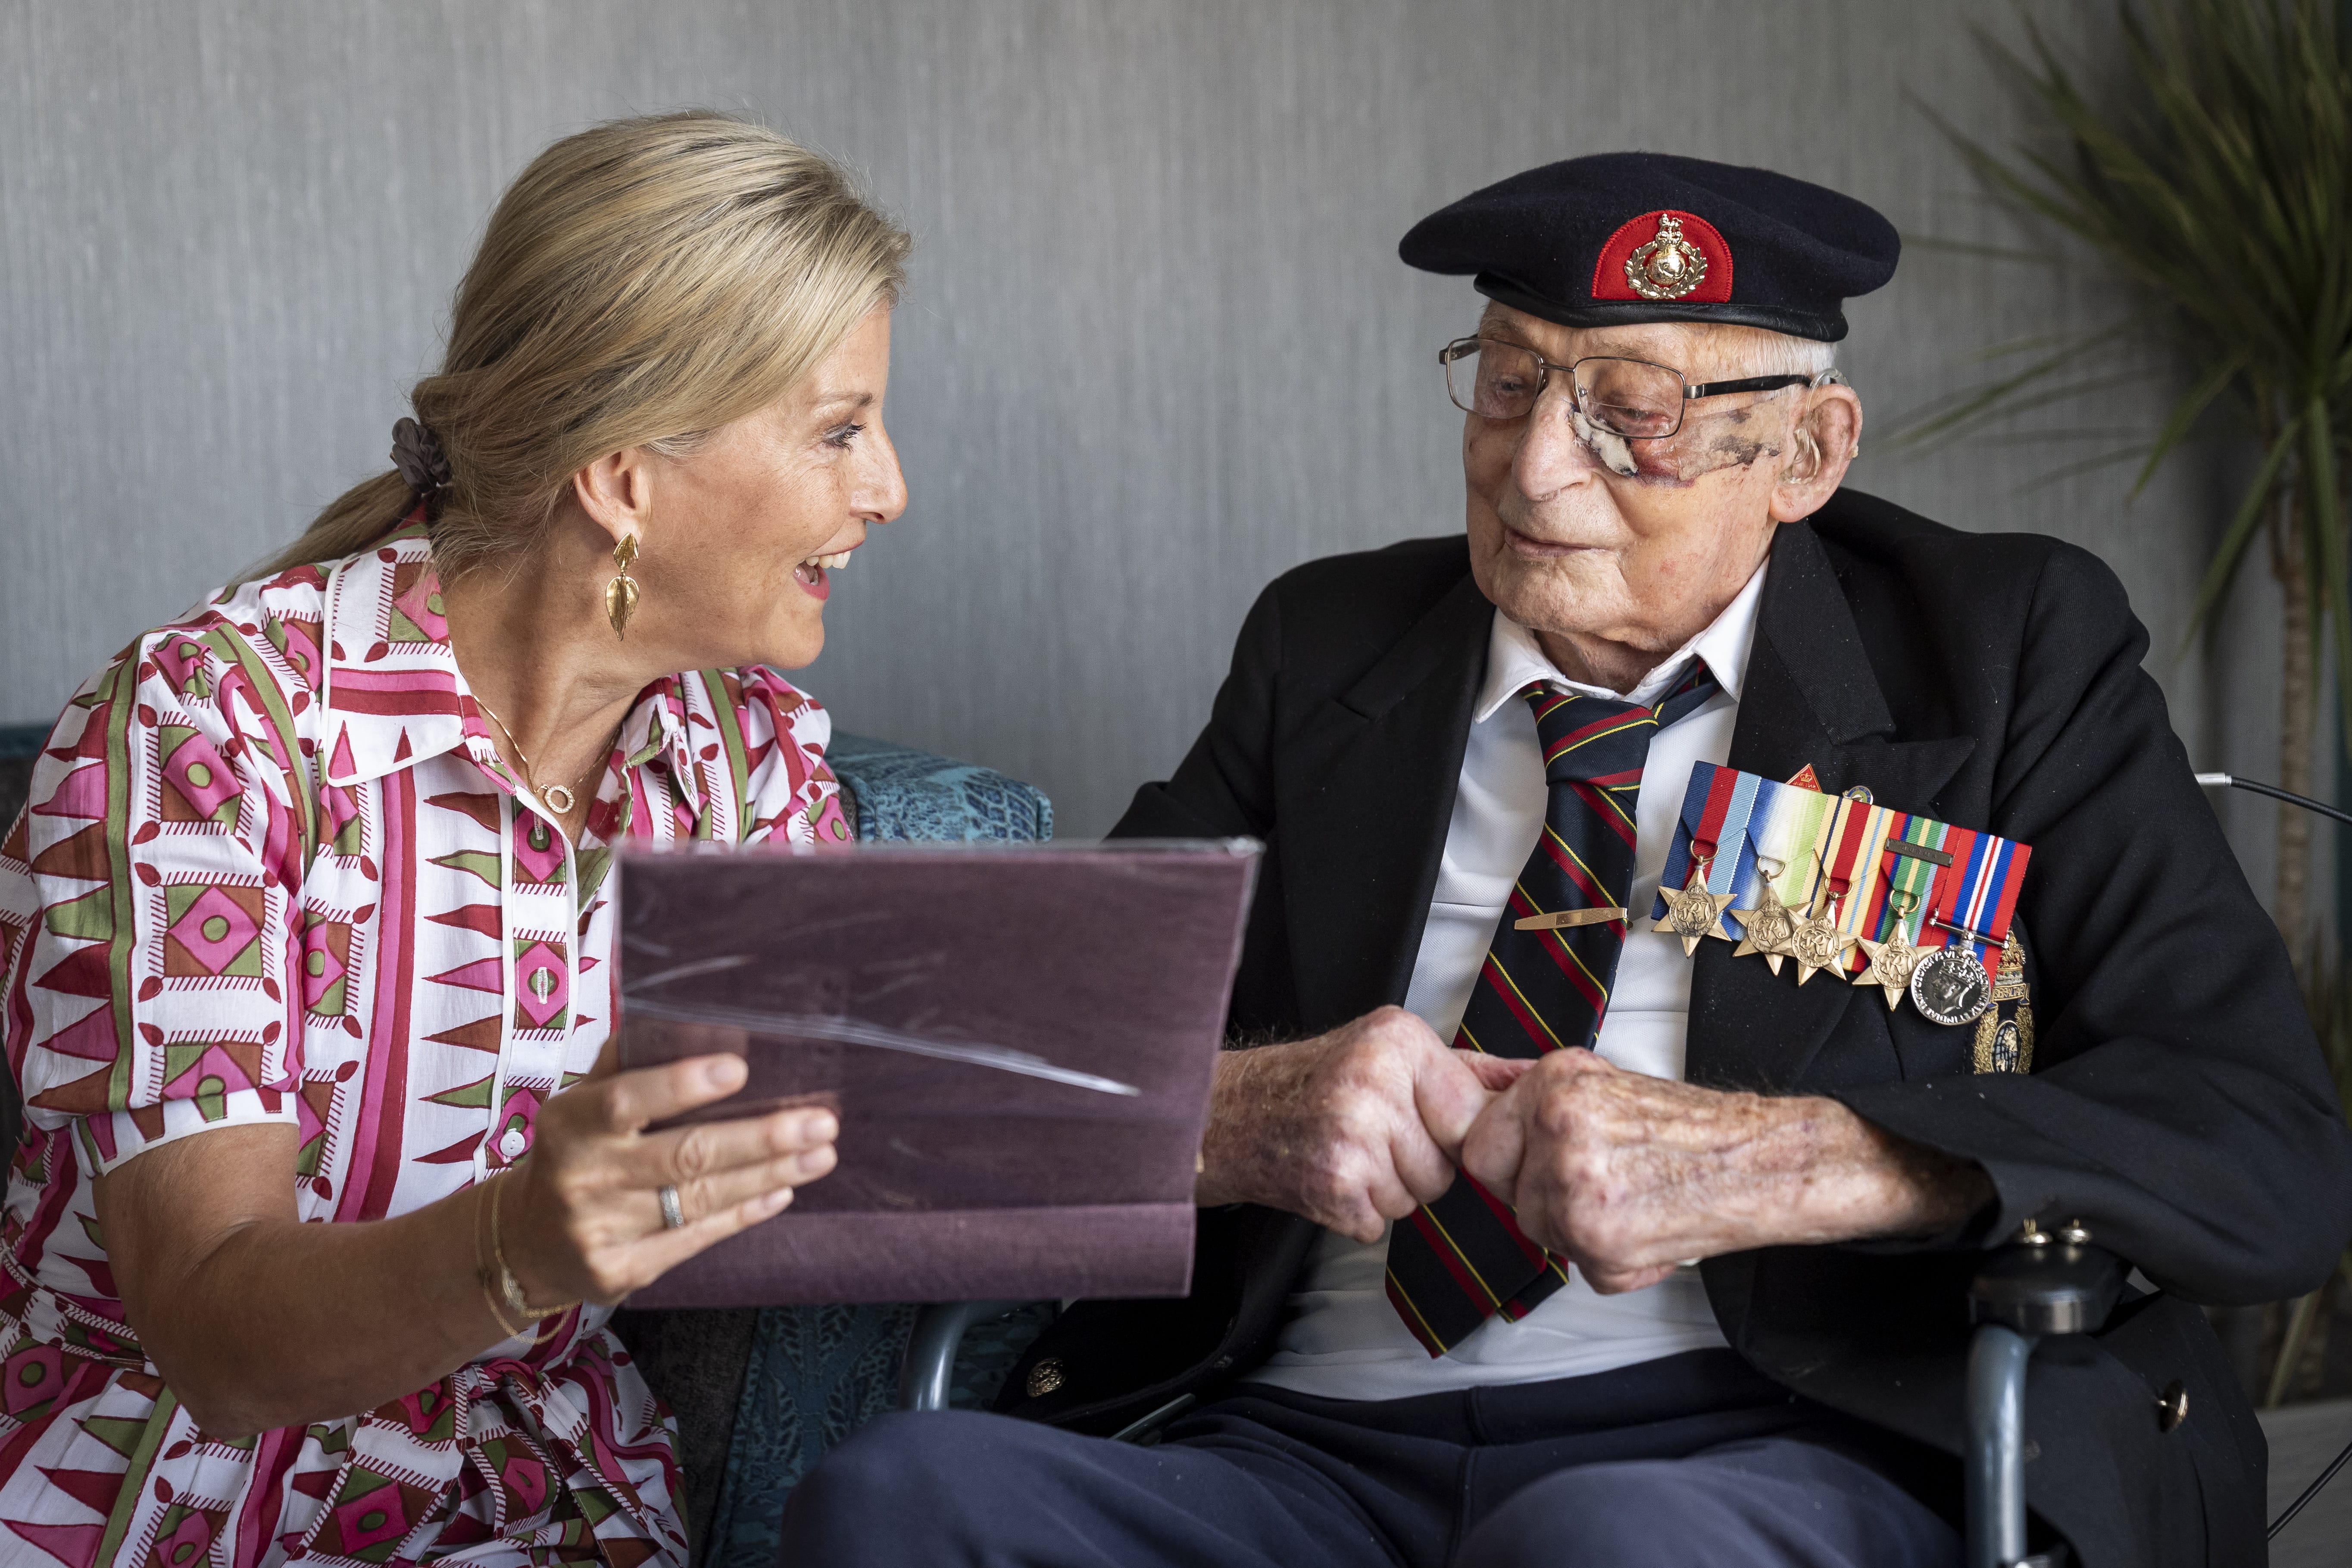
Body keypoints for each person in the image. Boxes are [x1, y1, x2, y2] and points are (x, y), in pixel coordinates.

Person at [780, 154, 2352, 1567]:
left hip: (1776, 1442)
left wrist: (1779, 1160)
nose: (1535, 466)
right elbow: (991, 1078)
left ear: (1805, 452)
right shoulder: (1328, 646)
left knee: (1611, 1541)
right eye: (1508, 381)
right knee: (904, 1497)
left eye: (1633, 412)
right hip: (1301, 1454)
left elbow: (2258, 1148)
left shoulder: (1999, 653)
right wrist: (1237, 1116)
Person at [0, 111, 910, 1565]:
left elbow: (906, 1130)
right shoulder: (208, 729)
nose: (887, 489)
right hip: (158, 1493)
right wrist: (523, 1246)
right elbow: (217, 1344)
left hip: (539, 1503)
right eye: (838, 430)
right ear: (624, 480)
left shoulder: (754, 770)